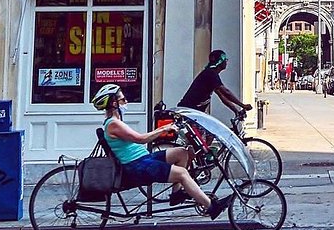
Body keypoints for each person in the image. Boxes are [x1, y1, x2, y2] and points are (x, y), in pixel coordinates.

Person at [91, 83, 231, 218]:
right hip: (136, 167)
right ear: (114, 103)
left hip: (144, 159)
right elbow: (141, 139)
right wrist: (164, 129)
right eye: (122, 99)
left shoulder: (116, 122)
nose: (126, 101)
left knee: (182, 152)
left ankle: (176, 194)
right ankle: (212, 207)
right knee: (182, 173)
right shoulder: (113, 124)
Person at [178, 49, 253, 116]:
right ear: (220, 61)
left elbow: (222, 96)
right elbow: (225, 92)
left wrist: (236, 111)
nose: (226, 62)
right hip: (189, 111)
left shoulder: (211, 74)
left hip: (194, 111)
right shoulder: (210, 74)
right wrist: (243, 105)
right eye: (225, 59)